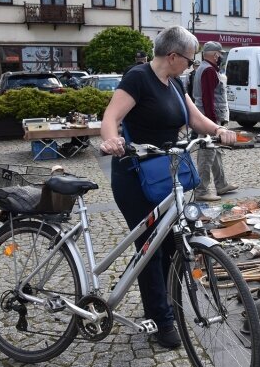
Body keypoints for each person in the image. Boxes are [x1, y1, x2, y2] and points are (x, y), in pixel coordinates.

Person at [99, 26, 238, 348]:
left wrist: (219, 130)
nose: (191, 66)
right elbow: (110, 117)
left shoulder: (174, 83)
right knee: (151, 249)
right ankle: (161, 320)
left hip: (167, 171)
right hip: (135, 175)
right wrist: (111, 141)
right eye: (189, 60)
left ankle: (170, 306)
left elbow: (195, 118)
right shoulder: (138, 78)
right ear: (173, 56)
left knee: (174, 244)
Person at [192, 41, 238, 202]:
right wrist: (212, 124)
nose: (221, 58)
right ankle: (201, 190)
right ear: (216, 54)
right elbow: (208, 98)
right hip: (209, 118)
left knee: (215, 151)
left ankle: (221, 184)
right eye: (220, 55)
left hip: (207, 117)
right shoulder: (209, 70)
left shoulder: (204, 68)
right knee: (206, 154)